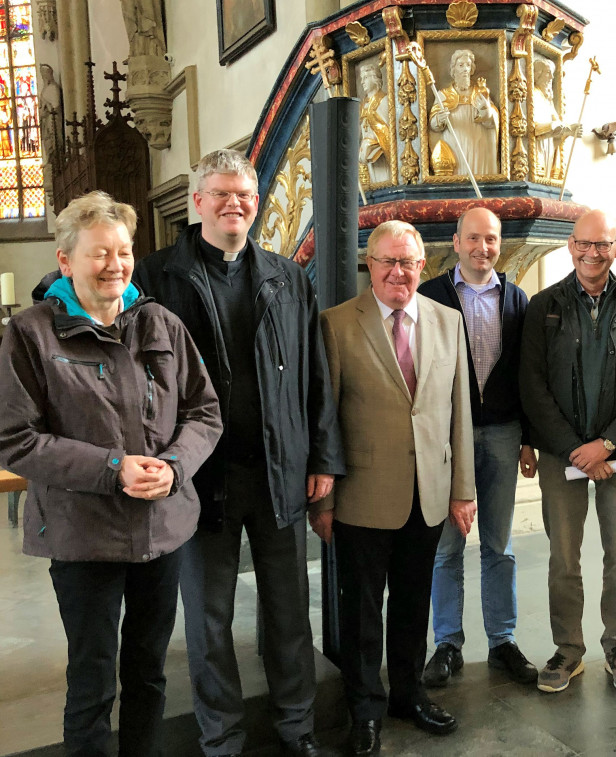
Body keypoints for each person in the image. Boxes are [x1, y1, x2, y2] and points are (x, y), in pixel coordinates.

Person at [132, 149, 344, 757]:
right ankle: (221, 739)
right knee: (208, 621)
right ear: (197, 201)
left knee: (288, 613)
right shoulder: (156, 275)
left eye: (245, 195)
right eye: (221, 193)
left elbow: (315, 377)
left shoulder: (286, 275)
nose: (234, 204)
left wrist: (323, 458)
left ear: (256, 202)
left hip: (279, 472)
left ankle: (296, 728)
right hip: (200, 478)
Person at [0, 191, 222, 757]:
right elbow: (15, 439)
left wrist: (173, 467)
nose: (116, 265)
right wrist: (112, 468)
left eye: (123, 251)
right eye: (100, 253)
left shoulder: (160, 322)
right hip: (83, 536)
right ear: (66, 260)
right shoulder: (31, 334)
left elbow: (204, 412)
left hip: (160, 528)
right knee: (93, 683)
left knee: (149, 673)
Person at [313, 220, 476, 756]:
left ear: (422, 266)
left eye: (407, 262)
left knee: (413, 604)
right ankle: (365, 710)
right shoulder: (336, 324)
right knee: (360, 612)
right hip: (362, 496)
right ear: (371, 264)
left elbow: (459, 414)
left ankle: (407, 694)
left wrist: (462, 489)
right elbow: (326, 419)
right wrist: (326, 499)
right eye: (388, 262)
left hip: (427, 493)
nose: (398, 272)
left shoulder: (448, 321)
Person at [519, 208, 616, 695]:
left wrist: (606, 445)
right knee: (564, 558)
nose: (592, 252)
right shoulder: (543, 308)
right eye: (584, 243)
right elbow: (533, 387)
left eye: (603, 245)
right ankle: (567, 649)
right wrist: (573, 449)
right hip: (563, 457)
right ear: (571, 246)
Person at [418, 207, 539, 689]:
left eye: (490, 239)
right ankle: (447, 642)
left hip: (504, 433)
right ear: (456, 241)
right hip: (448, 438)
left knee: (499, 544)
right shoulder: (431, 296)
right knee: (445, 548)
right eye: (473, 238)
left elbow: (527, 376)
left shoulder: (517, 299)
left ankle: (502, 640)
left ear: (499, 242)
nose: (482, 247)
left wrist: (529, 438)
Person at [429, 48, 499, 177]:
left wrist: (485, 110)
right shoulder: (443, 95)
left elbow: (492, 123)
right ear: (453, 69)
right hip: (455, 142)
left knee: (477, 172)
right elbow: (433, 125)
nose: (465, 69)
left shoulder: (480, 93)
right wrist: (440, 119)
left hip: (478, 143)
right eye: (461, 65)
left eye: (468, 65)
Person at [531, 58, 581, 182]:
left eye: (552, 73)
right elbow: (532, 127)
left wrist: (570, 130)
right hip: (536, 147)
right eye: (548, 72)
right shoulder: (532, 95)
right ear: (537, 75)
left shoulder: (547, 100)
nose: (552, 77)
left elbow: (558, 123)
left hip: (548, 144)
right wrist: (555, 127)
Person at [358, 61, 392, 186]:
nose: (362, 82)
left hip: (382, 156)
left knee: (384, 180)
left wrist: (375, 143)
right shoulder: (364, 105)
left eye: (365, 78)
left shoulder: (384, 101)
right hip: (367, 155)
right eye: (362, 79)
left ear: (375, 78)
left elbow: (390, 131)